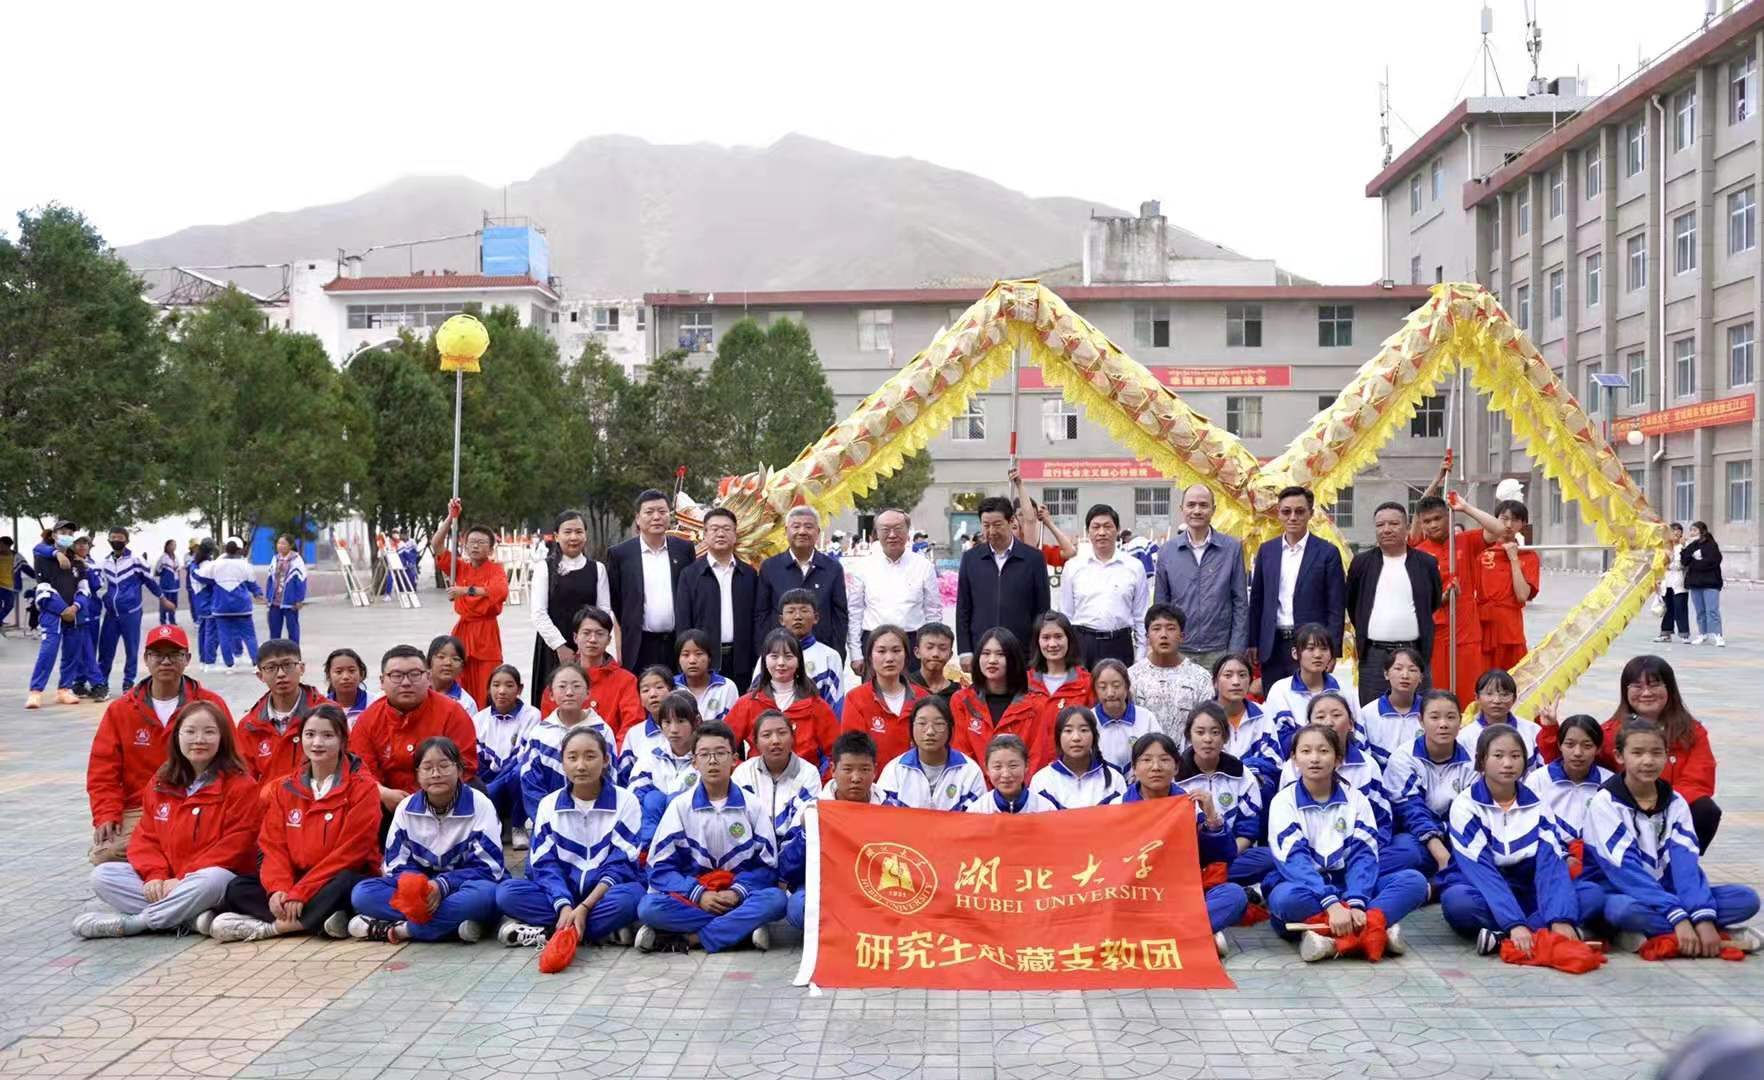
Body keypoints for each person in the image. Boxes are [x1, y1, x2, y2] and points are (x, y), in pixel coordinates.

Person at [73, 701, 263, 939]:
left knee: (213, 880)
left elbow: (236, 845)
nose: (199, 740)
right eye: (190, 731)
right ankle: (191, 920)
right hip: (170, 880)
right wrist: (156, 875)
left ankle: (140, 922)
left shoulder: (241, 785)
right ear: (177, 736)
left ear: (223, 738)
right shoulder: (161, 782)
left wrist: (182, 879)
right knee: (104, 876)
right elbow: (146, 837)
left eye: (209, 732)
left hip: (210, 880)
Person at [1583, 718, 1761, 956]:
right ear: (1619, 756)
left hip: (1668, 892)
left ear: (1667, 755)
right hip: (1621, 890)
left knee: (1746, 899)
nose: (1648, 761)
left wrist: (1703, 917)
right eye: (1637, 753)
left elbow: (1685, 865)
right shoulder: (1605, 803)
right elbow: (1626, 872)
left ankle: (1667, 932)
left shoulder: (1676, 802)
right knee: (1621, 910)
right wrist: (1678, 916)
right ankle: (1713, 935)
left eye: (1656, 753)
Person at [210, 705, 382, 942]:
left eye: (327, 735)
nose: (317, 743)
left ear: (343, 740)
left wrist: (303, 891)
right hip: (297, 878)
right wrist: (279, 888)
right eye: (310, 735)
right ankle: (321, 920)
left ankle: (272, 928)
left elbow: (351, 852)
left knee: (346, 886)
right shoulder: (286, 788)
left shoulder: (363, 787)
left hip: (338, 876)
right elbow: (273, 845)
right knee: (237, 888)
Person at [1265, 723, 1427, 962]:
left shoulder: (1356, 800)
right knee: (1284, 899)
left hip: (1350, 886)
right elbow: (1294, 861)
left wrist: (1357, 901)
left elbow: (1364, 855)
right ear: (1294, 759)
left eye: (1323, 751)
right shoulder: (1283, 802)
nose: (1314, 758)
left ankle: (1330, 940)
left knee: (1414, 881)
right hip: (1309, 890)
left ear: (1338, 759)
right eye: (1306, 751)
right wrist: (1331, 903)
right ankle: (1374, 929)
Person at [1438, 724, 1604, 956]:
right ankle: (1531, 930)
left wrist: (1560, 916)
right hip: (1482, 885)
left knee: (1592, 894)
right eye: (1498, 756)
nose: (1508, 763)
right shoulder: (1465, 805)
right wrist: (1514, 923)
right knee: (1458, 903)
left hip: (1529, 887)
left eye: (1515, 756)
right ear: (1482, 760)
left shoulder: (1537, 803)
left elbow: (1550, 863)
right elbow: (1482, 872)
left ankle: (1502, 937)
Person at [1537, 654, 1720, 851]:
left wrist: (1660, 805)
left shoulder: (1691, 732)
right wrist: (1551, 730)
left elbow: (1698, 780)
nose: (1646, 693)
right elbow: (1574, 764)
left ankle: (1681, 857)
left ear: (1669, 688)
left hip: (1671, 807)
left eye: (1654, 685)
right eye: (1637, 686)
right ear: (1626, 691)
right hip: (1623, 809)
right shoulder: (1610, 733)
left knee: (1705, 810)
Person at [635, 721, 789, 953]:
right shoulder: (680, 806)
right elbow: (659, 869)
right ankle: (739, 931)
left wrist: (736, 892)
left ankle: (693, 938)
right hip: (694, 895)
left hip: (737, 896)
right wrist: (699, 894)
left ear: (734, 759)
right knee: (649, 908)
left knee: (776, 900)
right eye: (705, 754)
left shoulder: (752, 806)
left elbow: (767, 868)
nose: (713, 761)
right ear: (694, 762)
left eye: (720, 753)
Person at [85, 625, 231, 863]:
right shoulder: (121, 710)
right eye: (158, 654)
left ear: (187, 659)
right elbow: (102, 770)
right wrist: (106, 814)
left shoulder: (210, 704)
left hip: (199, 803)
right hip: (140, 808)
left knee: (212, 849)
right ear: (146, 659)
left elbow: (232, 760)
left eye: (174, 654)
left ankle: (170, 872)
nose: (166, 661)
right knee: (105, 854)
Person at [494, 726, 643, 949]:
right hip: (562, 894)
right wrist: (563, 905)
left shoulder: (626, 801)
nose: (581, 766)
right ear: (562, 763)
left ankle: (548, 932)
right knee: (507, 893)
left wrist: (584, 907)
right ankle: (599, 932)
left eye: (590, 757)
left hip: (604, 895)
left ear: (605, 760)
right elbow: (545, 864)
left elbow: (620, 865)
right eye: (572, 758)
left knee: (632, 897)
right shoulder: (549, 805)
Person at [348, 736, 505, 943]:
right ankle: (451, 926)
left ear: (459, 770)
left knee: (486, 895)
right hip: (422, 893)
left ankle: (401, 929)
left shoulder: (480, 805)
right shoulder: (406, 808)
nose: (436, 774)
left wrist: (442, 885)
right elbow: (395, 865)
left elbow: (489, 868)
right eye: (427, 768)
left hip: (462, 887)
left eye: (444, 766)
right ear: (417, 774)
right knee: (363, 894)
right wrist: (421, 889)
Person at [1120, 731, 1249, 956]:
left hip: (1183, 896)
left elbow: (1223, 857)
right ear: (1134, 768)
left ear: (1176, 767)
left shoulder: (1190, 805)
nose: (1156, 767)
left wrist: (1211, 817)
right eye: (1146, 760)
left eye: (1164, 760)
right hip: (1135, 896)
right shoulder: (1117, 806)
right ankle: (1193, 937)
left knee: (1234, 896)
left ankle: (1156, 938)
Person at [1277, 692, 1420, 876]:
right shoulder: (1294, 766)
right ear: (1309, 725)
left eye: (1336, 715)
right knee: (1274, 865)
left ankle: (1347, 878)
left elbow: (1382, 820)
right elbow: (1285, 823)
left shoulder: (1367, 765)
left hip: (1359, 852)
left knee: (1409, 851)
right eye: (1320, 717)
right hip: (1310, 855)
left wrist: (1363, 856)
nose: (1329, 722)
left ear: (1351, 724)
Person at [349, 645, 479, 816]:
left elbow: (466, 764)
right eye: (396, 675)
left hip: (443, 797)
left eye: (415, 674)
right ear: (382, 681)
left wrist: (426, 797)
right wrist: (382, 792)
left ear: (428, 677)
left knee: (476, 789)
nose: (406, 682)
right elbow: (359, 769)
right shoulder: (368, 720)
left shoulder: (452, 713)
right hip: (388, 803)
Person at [779, 731, 886, 929]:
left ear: (875, 771)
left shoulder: (891, 807)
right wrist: (805, 833)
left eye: (864, 769)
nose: (856, 778)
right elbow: (787, 870)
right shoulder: (811, 807)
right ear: (833, 769)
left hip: (875, 889)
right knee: (799, 908)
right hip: (824, 886)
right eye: (848, 769)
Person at [1411, 488, 1507, 705]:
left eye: (1437, 518)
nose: (1433, 525)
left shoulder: (1465, 541)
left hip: (1466, 630)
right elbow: (1418, 597)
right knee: (1438, 695)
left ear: (1448, 516)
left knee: (1469, 694)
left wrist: (1465, 507)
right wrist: (1441, 599)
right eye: (1427, 521)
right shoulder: (1418, 553)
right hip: (1435, 633)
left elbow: (1499, 529)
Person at [1247, 487, 1345, 689]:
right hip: (1272, 645)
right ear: (1279, 513)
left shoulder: (1327, 552)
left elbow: (1336, 606)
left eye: (1299, 511)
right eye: (1286, 511)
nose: (1293, 517)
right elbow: (1257, 600)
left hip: (1310, 645)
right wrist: (1253, 641)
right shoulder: (1267, 551)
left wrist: (1332, 649)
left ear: (1310, 513)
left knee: (1309, 700)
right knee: (1275, 700)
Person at [1345, 502, 1442, 705]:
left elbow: (1432, 602)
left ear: (1407, 527)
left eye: (1394, 524)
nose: (1386, 529)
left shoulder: (1426, 563)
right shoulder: (1362, 563)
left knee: (1418, 711)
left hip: (1415, 653)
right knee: (1373, 712)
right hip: (1374, 655)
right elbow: (1353, 605)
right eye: (1380, 525)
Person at [1380, 690, 1478, 889]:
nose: (1443, 724)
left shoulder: (1472, 761)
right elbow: (1410, 810)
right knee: (1408, 854)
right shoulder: (1404, 758)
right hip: (1415, 838)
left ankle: (1432, 887)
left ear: (1460, 721)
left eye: (1451, 717)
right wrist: (1440, 853)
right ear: (1421, 721)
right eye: (1434, 717)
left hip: (1456, 836)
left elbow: (1471, 813)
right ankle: (1438, 882)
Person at [1176, 703, 1272, 889]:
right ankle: (1210, 881)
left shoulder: (1241, 774)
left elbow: (1247, 830)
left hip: (1231, 855)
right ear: (1189, 736)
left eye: (1215, 732)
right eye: (1200, 732)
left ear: (1225, 737)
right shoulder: (1175, 775)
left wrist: (1227, 855)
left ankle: (1208, 880)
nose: (1208, 739)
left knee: (1268, 858)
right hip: (1186, 859)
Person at [1153, 484, 1249, 671]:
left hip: (1219, 650)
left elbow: (1240, 603)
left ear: (1213, 509)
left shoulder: (1231, 549)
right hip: (1179, 650)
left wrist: (1236, 651)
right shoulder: (1167, 551)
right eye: (1191, 505)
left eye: (1203, 505)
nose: (1197, 511)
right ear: (1182, 509)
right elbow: (1160, 606)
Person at [606, 489, 696, 674]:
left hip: (677, 642)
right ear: (638, 518)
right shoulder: (620, 554)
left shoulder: (684, 549)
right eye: (649, 512)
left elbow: (691, 593)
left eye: (662, 511)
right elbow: (615, 600)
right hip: (639, 644)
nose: (656, 517)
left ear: (670, 516)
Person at [954, 495, 1051, 667]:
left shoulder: (1033, 559)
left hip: (1023, 652)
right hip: (982, 651)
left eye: (997, 524)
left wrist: (1040, 650)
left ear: (1011, 521)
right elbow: (963, 608)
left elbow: (1042, 610)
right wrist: (965, 651)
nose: (991, 531)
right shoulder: (971, 559)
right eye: (986, 525)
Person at [430, 499, 509, 705]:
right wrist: (451, 517)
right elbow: (436, 544)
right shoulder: (459, 567)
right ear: (465, 546)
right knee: (457, 681)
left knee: (487, 685)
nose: (475, 545)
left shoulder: (496, 569)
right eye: (471, 542)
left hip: (486, 634)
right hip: (463, 630)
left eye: (481, 542)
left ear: (490, 549)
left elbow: (500, 591)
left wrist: (464, 590)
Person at [520, 664, 620, 828]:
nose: (569, 692)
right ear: (551, 695)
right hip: (549, 821)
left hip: (595, 820)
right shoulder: (540, 734)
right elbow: (530, 782)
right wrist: (547, 820)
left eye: (576, 686)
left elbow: (610, 777)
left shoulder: (602, 731)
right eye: (562, 686)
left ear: (588, 693)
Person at [728, 628, 840, 769]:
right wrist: (744, 773)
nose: (781, 663)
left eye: (788, 656)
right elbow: (722, 745)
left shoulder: (816, 705)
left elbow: (836, 753)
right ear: (764, 660)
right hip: (757, 780)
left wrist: (818, 779)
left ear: (799, 661)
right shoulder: (747, 703)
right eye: (774, 656)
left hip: (803, 780)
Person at [846, 508, 940, 675]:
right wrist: (856, 653)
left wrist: (932, 649)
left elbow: (933, 611)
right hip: (874, 643)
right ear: (876, 533)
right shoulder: (863, 567)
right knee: (873, 692)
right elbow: (855, 611)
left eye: (898, 529)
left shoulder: (923, 566)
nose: (892, 535)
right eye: (885, 529)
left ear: (908, 531)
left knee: (914, 691)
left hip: (913, 644)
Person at [1057, 503, 1149, 668]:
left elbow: (1141, 616)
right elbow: (1066, 615)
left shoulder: (1134, 567)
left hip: (1120, 644)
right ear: (1088, 531)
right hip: (1083, 645)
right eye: (1096, 527)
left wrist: (1141, 656)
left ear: (1117, 530)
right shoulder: (1073, 567)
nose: (1101, 532)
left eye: (1107, 526)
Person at [529, 509, 611, 692]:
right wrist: (560, 646)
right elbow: (538, 613)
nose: (573, 537)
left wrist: (591, 642)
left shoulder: (597, 569)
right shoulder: (544, 568)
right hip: (553, 648)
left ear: (585, 536)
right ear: (557, 536)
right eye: (567, 532)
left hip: (590, 647)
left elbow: (604, 611)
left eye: (578, 532)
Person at [755, 506, 850, 662]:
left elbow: (840, 616)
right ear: (786, 531)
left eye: (808, 526)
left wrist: (837, 653)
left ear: (818, 532)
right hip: (780, 656)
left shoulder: (832, 568)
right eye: (796, 526)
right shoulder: (770, 567)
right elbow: (761, 615)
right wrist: (764, 653)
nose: (802, 531)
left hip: (821, 653)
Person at [1523, 714, 1613, 880]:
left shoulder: (1609, 783)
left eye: (1587, 746)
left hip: (1597, 863)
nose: (1577, 753)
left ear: (1598, 748)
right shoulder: (1538, 780)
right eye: (1570, 744)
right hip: (1548, 860)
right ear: (1560, 745)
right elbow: (1529, 827)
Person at [948, 628, 1051, 769]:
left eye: (1001, 654)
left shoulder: (1037, 704)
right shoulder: (962, 700)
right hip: (974, 782)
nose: (992, 660)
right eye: (986, 653)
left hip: (1022, 782)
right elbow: (962, 755)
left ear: (1013, 659)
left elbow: (1037, 758)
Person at [674, 507, 759, 682]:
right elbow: (683, 622)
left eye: (727, 529)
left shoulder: (749, 574)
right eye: (714, 529)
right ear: (705, 535)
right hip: (703, 662)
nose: (720, 534)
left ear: (735, 535)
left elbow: (757, 619)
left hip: (741, 662)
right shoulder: (690, 574)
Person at [238, 638, 331, 794]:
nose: (281, 674)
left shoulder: (328, 714)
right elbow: (244, 783)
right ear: (260, 675)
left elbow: (347, 767)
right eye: (271, 668)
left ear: (301, 668)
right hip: (268, 806)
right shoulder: (249, 725)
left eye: (288, 665)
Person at [545, 606, 645, 738]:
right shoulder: (559, 681)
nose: (592, 639)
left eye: (600, 634)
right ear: (575, 637)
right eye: (586, 633)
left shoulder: (626, 680)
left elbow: (632, 726)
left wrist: (611, 750)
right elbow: (548, 728)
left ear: (609, 640)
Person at [838, 625, 927, 768]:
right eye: (881, 651)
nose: (889, 658)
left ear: (906, 655)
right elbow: (853, 751)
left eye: (896, 651)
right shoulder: (856, 698)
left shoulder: (923, 698)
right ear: (870, 657)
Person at [26, 518, 93, 708]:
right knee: (48, 650)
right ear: (54, 535)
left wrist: (76, 607)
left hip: (74, 614)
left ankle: (64, 689)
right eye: (63, 532)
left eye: (70, 533)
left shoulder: (77, 562)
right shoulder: (43, 557)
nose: (67, 536)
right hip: (52, 613)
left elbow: (84, 588)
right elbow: (43, 588)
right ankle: (35, 691)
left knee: (72, 652)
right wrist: (62, 609)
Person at [733, 708, 821, 849]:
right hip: (753, 852)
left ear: (792, 737)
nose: (775, 741)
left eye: (782, 733)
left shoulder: (809, 773)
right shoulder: (744, 773)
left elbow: (806, 826)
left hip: (794, 853)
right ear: (756, 742)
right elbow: (738, 821)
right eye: (766, 735)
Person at [877, 697, 987, 810]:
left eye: (939, 724)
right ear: (912, 728)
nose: (930, 731)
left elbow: (977, 815)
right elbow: (883, 815)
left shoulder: (969, 771)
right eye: (922, 723)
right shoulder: (895, 770)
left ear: (951, 729)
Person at [1126, 604, 1214, 740]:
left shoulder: (1200, 678)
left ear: (1182, 636)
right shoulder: (1131, 677)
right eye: (1156, 628)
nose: (1163, 635)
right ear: (1147, 637)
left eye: (1171, 628)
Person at [626, 690, 702, 848]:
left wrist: (674, 803)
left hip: (694, 833)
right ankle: (648, 850)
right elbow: (634, 791)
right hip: (652, 830)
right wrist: (658, 804)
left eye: (680, 721)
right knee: (653, 799)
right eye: (667, 722)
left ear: (696, 721)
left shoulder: (705, 756)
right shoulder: (652, 755)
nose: (673, 729)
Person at [96, 526, 166, 696]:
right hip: (111, 614)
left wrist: (162, 597)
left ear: (126, 540)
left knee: (131, 649)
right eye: (113, 537)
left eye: (120, 538)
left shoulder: (136, 560)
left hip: (131, 612)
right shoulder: (105, 562)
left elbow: (149, 581)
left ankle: (129, 683)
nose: (116, 540)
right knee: (105, 650)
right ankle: (101, 683)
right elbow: (99, 583)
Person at [1261, 623, 1355, 749]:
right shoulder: (1280, 690)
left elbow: (1356, 734)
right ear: (1295, 653)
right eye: (1310, 649)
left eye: (1324, 649)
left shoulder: (1343, 689)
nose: (1318, 655)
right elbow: (1278, 741)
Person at [474, 665, 542, 835]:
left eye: (509, 685)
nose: (502, 691)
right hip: (490, 780)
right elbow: (479, 762)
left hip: (513, 780)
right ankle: (494, 822)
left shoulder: (531, 715)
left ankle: (517, 825)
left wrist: (493, 789)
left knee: (521, 772)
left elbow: (523, 757)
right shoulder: (479, 719)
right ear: (489, 689)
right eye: (496, 685)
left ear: (520, 689)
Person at [1210, 653, 1283, 797]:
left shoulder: (1262, 713)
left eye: (1242, 675)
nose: (1236, 682)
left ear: (1250, 681)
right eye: (1228, 675)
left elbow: (1274, 760)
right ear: (1215, 683)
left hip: (1256, 788)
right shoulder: (1203, 716)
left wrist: (1238, 767)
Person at [1477, 501, 1539, 670]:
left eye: (1516, 520)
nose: (1509, 525)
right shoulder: (1480, 551)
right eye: (1504, 518)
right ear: (1495, 519)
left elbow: (1522, 595)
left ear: (1523, 524)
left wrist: (1514, 559)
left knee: (1514, 679)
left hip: (1510, 630)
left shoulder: (1528, 556)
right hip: (1481, 627)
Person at [763, 587, 845, 713]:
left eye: (804, 611)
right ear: (781, 620)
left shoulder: (830, 656)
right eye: (791, 611)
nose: (797, 617)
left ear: (816, 617)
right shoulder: (769, 655)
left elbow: (835, 705)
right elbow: (756, 698)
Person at [1029, 706, 1127, 809]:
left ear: (1094, 736)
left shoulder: (1115, 780)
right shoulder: (1041, 781)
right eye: (1068, 731)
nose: (1076, 738)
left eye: (1083, 730)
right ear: (1058, 737)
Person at [190, 536, 262, 671]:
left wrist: (193, 566)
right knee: (249, 636)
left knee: (224, 636)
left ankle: (229, 664)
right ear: (239, 550)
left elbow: (199, 576)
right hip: (242, 607)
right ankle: (256, 664)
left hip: (221, 607)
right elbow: (252, 583)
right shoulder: (245, 565)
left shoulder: (216, 564)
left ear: (225, 549)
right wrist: (258, 593)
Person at [1355, 647, 1425, 769]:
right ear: (1386, 674)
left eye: (1412, 670)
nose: (1405, 675)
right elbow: (1362, 757)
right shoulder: (1368, 714)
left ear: (1421, 677)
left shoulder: (1429, 712)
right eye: (1398, 668)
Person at [1090, 660, 1157, 773]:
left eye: (1116, 686)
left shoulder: (1146, 718)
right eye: (1102, 687)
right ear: (1095, 690)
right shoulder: (1089, 721)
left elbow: (1159, 752)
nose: (1110, 693)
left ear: (1127, 686)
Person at [1008, 464, 1079, 568]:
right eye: (1020, 515)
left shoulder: (1042, 551)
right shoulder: (1005, 551)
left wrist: (1049, 523)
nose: (1027, 519)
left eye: (1033, 515)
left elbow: (1070, 552)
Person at [968, 734, 1058, 814]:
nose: (1006, 774)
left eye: (1013, 766)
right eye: (997, 767)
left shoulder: (1045, 809)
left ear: (1026, 765)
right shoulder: (978, 811)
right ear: (987, 769)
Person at [620, 666, 680, 784]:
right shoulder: (634, 734)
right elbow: (624, 777)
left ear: (673, 692)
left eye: (659, 687)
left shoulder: (689, 729)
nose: (653, 694)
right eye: (645, 690)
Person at [1027, 612, 1094, 709]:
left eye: (1058, 637)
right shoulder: (1026, 682)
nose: (1052, 644)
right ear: (1037, 642)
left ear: (1069, 639)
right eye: (1046, 638)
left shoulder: (1087, 682)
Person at [1682, 521, 1725, 646]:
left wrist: (1694, 562)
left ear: (1702, 531)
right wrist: (1688, 550)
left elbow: (1712, 562)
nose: (1692, 533)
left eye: (1695, 530)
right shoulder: (1692, 545)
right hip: (1695, 583)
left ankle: (1718, 635)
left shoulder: (1711, 545)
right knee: (1700, 611)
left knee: (1712, 611)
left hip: (1711, 583)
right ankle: (1702, 634)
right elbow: (1684, 561)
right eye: (1691, 530)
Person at [264, 534, 307, 644]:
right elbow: (270, 579)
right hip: (275, 601)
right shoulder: (275, 558)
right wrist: (268, 597)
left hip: (290, 602)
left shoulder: (296, 560)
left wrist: (299, 599)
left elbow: (301, 580)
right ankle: (274, 652)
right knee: (274, 630)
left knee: (293, 630)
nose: (280, 546)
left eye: (283, 543)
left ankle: (294, 651)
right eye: (279, 543)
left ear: (290, 545)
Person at [426, 634, 479, 718]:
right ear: (429, 661)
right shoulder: (416, 691)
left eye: (455, 659)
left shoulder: (467, 704)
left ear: (462, 667)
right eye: (441, 657)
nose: (448, 663)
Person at [1657, 522, 1691, 644]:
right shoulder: (1663, 547)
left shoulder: (1685, 546)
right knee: (1668, 608)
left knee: (1680, 607)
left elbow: (1686, 561)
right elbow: (1657, 563)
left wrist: (1684, 547)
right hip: (1666, 579)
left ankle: (1684, 634)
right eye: (1673, 531)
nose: (1676, 533)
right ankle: (1666, 633)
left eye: (1678, 531)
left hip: (1679, 578)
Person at [188, 539, 219, 670]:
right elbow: (211, 580)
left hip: (199, 601)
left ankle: (203, 660)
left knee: (203, 632)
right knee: (212, 633)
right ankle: (209, 661)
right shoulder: (208, 566)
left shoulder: (194, 564)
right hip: (209, 601)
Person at [908, 622, 958, 703]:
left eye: (942, 648)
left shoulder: (957, 693)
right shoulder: (905, 686)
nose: (935, 654)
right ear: (917, 652)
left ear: (950, 655)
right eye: (929, 647)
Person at [324, 648, 375, 725]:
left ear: (361, 674)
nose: (345, 677)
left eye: (351, 671)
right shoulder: (321, 707)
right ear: (328, 676)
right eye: (338, 672)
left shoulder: (375, 703)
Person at [154, 540, 181, 626]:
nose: (174, 547)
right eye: (172, 545)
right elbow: (157, 570)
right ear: (167, 546)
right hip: (166, 586)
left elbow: (178, 570)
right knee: (164, 605)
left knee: (173, 604)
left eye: (175, 545)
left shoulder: (176, 557)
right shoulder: (163, 558)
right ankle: (163, 622)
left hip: (175, 586)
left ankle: (172, 621)